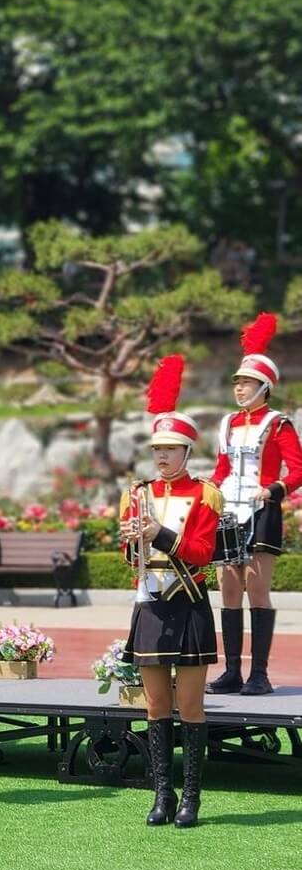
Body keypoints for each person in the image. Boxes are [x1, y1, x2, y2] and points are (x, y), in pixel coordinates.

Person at [120, 356, 221, 829]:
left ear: (186, 452)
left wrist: (158, 532)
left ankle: (192, 799)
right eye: (157, 448)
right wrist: (133, 541)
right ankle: (163, 793)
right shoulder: (136, 492)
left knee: (192, 706)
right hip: (153, 602)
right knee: (156, 705)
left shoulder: (204, 495)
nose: (161, 456)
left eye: (171, 449)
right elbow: (129, 558)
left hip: (190, 603)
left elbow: (201, 553)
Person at [209, 313, 302, 696]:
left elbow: (297, 470)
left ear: (264, 386)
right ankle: (232, 671)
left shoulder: (279, 424)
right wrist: (207, 492)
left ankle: (259, 675)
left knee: (256, 589)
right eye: (237, 383)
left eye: (246, 383)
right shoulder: (227, 423)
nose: (239, 389)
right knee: (228, 591)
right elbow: (221, 468)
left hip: (260, 510)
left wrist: (273, 489)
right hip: (227, 509)